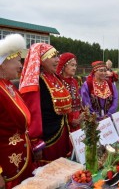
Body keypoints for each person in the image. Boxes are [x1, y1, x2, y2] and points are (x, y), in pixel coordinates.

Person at [19, 43, 72, 166]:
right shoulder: (36, 82)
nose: (57, 60)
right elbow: (33, 114)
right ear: (41, 59)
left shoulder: (54, 77)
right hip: (48, 140)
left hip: (62, 135)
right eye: (53, 56)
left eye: (57, 56)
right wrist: (36, 142)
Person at [0, 34, 34, 189]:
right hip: (6, 168)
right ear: (3, 64)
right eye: (17, 60)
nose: (21, 66)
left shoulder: (8, 85)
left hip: (21, 160)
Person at [56, 52, 83, 132]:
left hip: (77, 123)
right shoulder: (58, 82)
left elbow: (78, 100)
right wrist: (71, 120)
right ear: (64, 66)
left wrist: (81, 114)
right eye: (72, 65)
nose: (74, 68)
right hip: (64, 125)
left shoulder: (74, 81)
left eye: (75, 65)